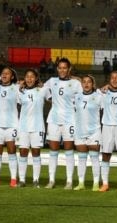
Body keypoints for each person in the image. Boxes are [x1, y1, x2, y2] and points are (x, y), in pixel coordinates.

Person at [44, 57, 82, 189]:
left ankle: (69, 181)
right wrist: (50, 98)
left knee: (69, 150)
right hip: (54, 119)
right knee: (53, 150)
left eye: (64, 68)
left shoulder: (76, 83)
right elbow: (44, 91)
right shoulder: (51, 81)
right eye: (60, 68)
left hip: (70, 120)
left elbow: (83, 96)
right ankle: (51, 180)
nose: (62, 70)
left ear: (69, 69)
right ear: (57, 69)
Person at [16, 69, 50, 188]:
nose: (29, 79)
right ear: (24, 78)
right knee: (23, 153)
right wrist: (19, 84)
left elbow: (52, 97)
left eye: (32, 77)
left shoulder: (42, 90)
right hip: (23, 127)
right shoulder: (20, 91)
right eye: (27, 76)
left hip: (37, 126)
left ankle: (36, 180)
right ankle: (22, 180)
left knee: (36, 153)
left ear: (36, 78)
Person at [73, 74, 102, 191]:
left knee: (94, 158)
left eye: (88, 82)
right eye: (84, 82)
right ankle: (81, 183)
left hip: (94, 131)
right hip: (80, 131)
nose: (86, 84)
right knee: (81, 158)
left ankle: (96, 183)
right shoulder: (76, 97)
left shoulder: (99, 96)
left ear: (93, 84)